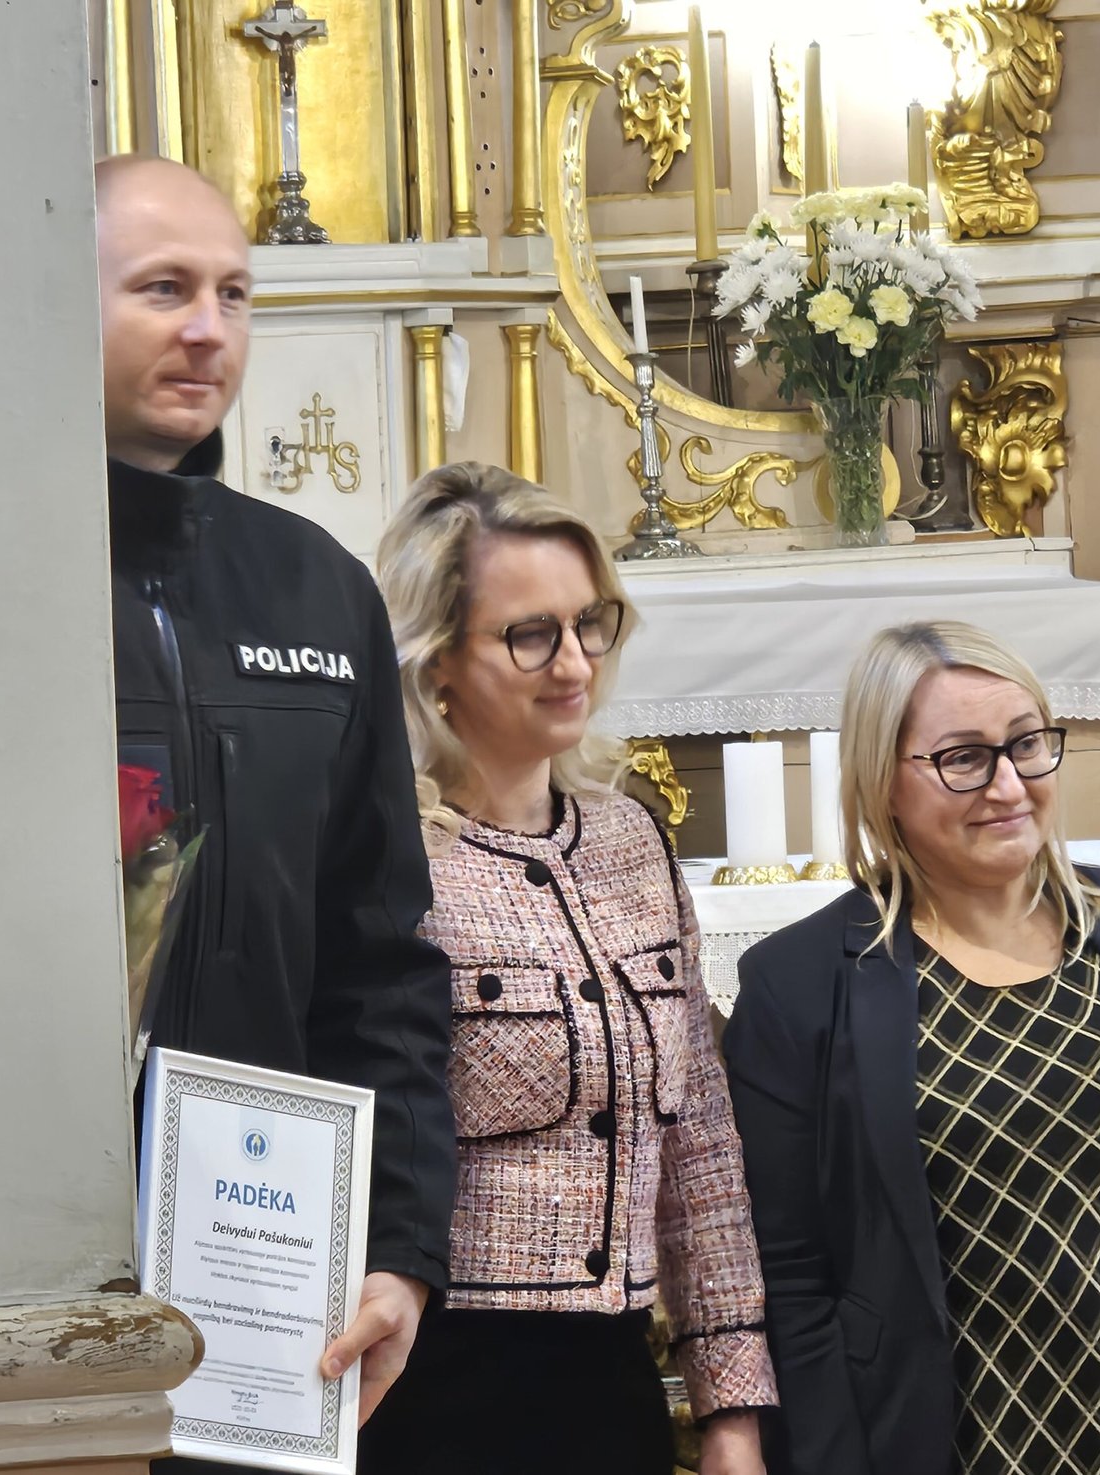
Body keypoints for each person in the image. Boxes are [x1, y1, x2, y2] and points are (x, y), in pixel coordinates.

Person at [723, 620, 1100, 1475]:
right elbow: (792, 1278)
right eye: (963, 757)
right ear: (882, 781)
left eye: (1027, 744)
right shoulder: (800, 984)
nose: (1007, 784)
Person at [95, 155, 456, 1442]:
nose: (208, 328)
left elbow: (382, 956)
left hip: (262, 1256)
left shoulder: (315, 586)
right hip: (26, 1239)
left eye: (234, 293)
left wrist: (399, 1247)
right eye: (163, 288)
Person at [360, 461, 775, 1475]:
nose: (576, 661)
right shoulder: (387, 857)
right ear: (436, 661)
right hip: (430, 1387)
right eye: (530, 634)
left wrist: (729, 1405)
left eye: (591, 622)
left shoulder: (631, 840)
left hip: (607, 1384)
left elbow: (700, 1147)